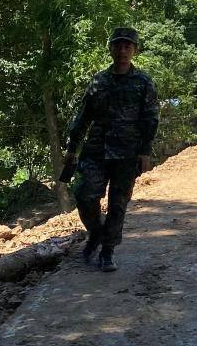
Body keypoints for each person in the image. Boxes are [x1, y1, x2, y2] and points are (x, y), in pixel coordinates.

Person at [63, 27, 159, 272]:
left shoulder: (143, 82)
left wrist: (145, 152)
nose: (122, 50)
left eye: (128, 46)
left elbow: (150, 118)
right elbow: (83, 116)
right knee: (85, 195)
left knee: (118, 204)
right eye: (118, 45)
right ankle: (96, 233)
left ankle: (107, 250)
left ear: (135, 50)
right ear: (111, 49)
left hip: (127, 153)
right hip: (96, 150)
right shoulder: (99, 81)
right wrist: (72, 149)